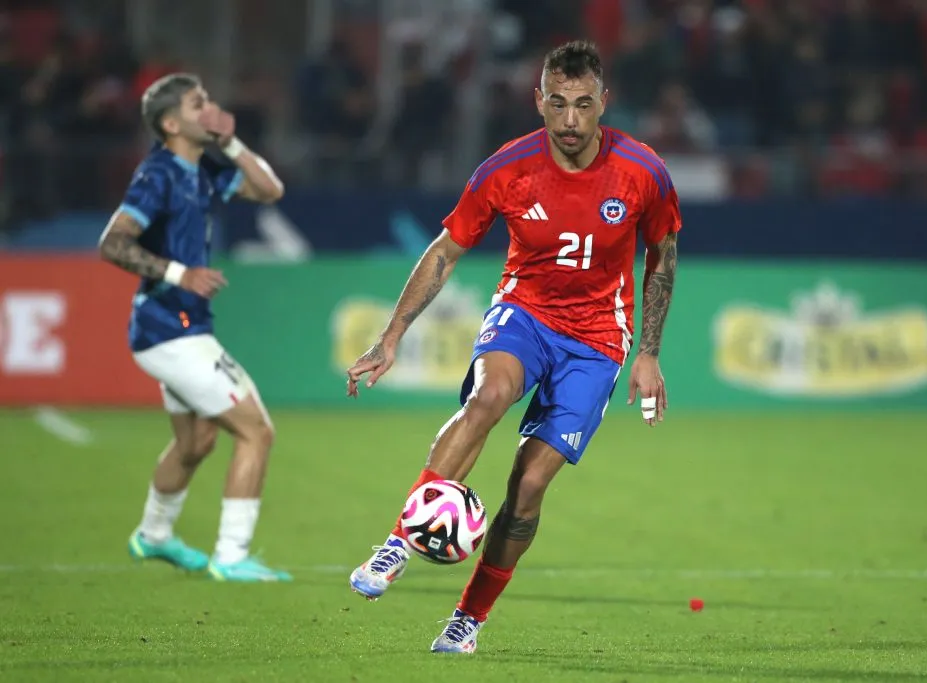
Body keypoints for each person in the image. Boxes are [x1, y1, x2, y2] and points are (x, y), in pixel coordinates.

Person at [345, 40, 680, 651]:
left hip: (598, 339)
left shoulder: (643, 171)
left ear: (604, 101)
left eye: (584, 104)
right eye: (559, 103)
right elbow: (445, 250)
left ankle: (467, 619)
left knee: (527, 487)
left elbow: (663, 255)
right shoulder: (507, 168)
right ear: (539, 103)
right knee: (489, 396)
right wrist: (390, 336)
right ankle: (398, 543)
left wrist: (649, 353)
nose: (572, 120)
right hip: (524, 313)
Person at [98, 73, 291, 582]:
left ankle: (153, 536)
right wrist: (181, 273)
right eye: (196, 104)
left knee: (196, 443)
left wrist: (230, 141)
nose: (209, 108)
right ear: (170, 123)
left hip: (178, 326)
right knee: (256, 431)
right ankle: (231, 555)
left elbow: (270, 189)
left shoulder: (201, 168)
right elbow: (112, 243)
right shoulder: (157, 174)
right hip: (169, 328)